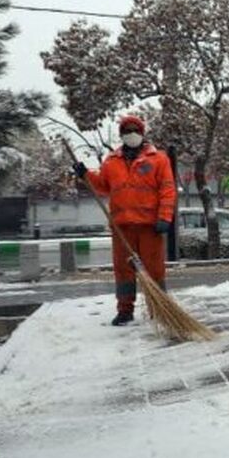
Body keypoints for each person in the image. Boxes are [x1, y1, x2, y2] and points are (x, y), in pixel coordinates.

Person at [75, 115, 176, 326]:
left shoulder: (158, 159)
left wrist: (165, 217)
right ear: (121, 135)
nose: (131, 134)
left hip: (150, 227)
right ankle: (125, 310)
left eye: (135, 130)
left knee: (154, 270)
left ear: (142, 133)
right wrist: (85, 175)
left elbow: (167, 190)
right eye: (127, 131)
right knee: (123, 271)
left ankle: (158, 308)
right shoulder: (112, 161)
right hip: (122, 227)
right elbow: (102, 186)